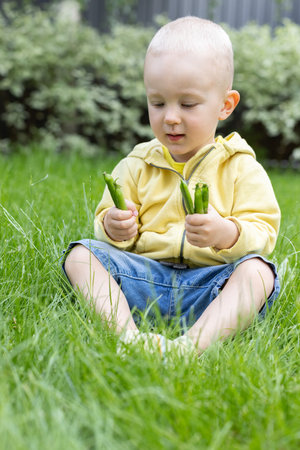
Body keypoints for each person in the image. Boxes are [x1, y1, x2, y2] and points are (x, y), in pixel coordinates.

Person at [62, 16, 280, 359]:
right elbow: (107, 223)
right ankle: (126, 336)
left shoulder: (241, 167)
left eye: (188, 104)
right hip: (144, 279)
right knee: (81, 255)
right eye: (158, 103)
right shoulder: (137, 163)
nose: (170, 117)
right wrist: (113, 226)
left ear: (225, 105)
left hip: (209, 286)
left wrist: (225, 233)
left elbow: (264, 233)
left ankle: (192, 347)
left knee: (258, 273)